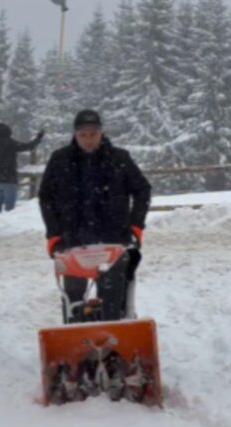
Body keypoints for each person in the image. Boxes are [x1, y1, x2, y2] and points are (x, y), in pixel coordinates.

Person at [38, 109, 151, 319]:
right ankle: (75, 340)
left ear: (101, 133)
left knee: (113, 298)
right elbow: (46, 198)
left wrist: (136, 225)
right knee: (73, 300)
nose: (88, 140)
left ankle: (114, 339)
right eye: (83, 135)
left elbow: (143, 190)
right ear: (75, 135)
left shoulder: (119, 158)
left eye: (93, 134)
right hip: (72, 240)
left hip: (113, 240)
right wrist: (53, 234)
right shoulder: (60, 160)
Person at [0, 123, 44, 212]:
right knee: (10, 210)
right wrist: (39, 138)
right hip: (10, 179)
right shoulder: (11, 143)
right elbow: (28, 146)